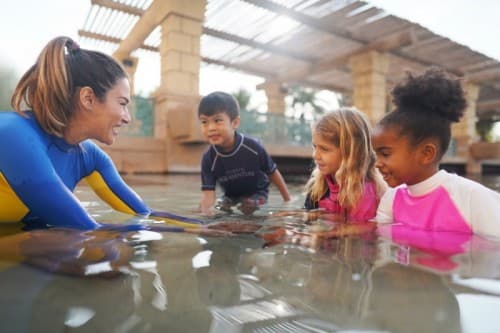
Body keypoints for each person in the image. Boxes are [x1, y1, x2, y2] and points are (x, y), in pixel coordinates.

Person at [0, 36, 202, 230]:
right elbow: (84, 228)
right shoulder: (14, 136)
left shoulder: (89, 156)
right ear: (88, 98)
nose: (127, 118)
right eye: (122, 104)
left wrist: (203, 227)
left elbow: (143, 214)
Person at [372, 67, 500, 238]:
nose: (377, 163)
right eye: (377, 154)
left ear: (426, 153)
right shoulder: (392, 198)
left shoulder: (473, 199)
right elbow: (378, 238)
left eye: (385, 154)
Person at [198, 91, 290, 215]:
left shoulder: (253, 147)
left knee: (248, 207)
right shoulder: (208, 159)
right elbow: (208, 194)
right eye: (204, 122)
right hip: (230, 196)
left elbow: (273, 173)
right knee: (220, 208)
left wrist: (287, 201)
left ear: (235, 123)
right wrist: (205, 213)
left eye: (217, 120)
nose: (210, 128)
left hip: (257, 193)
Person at [304, 108, 386, 222]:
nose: (315, 155)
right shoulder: (318, 186)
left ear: (350, 153)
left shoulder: (367, 192)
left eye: (324, 149)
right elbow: (307, 217)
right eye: (314, 146)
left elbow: (360, 233)